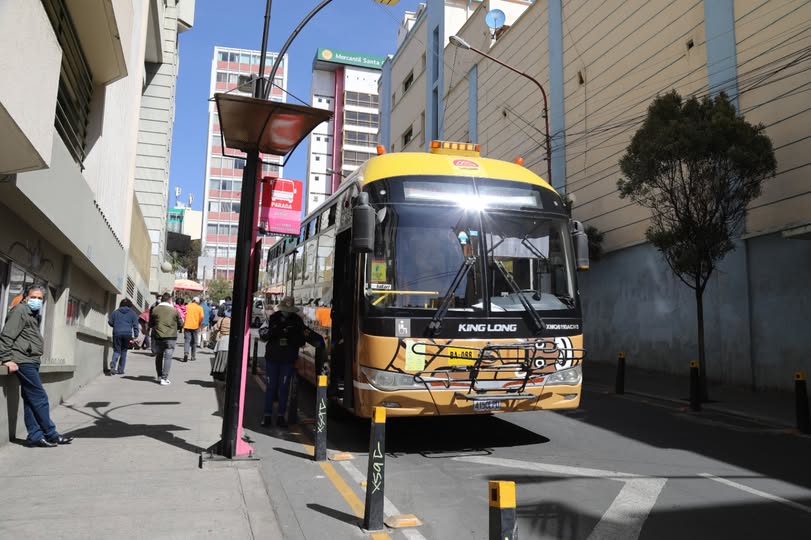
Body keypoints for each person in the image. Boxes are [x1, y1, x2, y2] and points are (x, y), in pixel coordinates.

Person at [0, 284, 73, 447]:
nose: (37, 301)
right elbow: (6, 335)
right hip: (22, 360)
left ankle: (34, 435)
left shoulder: (33, 314)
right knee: (40, 398)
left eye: (40, 298)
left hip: (32, 360)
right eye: (34, 297)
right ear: (26, 297)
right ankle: (51, 434)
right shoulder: (20, 311)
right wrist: (6, 359)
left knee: (30, 399)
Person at [259, 296, 323, 428]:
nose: (287, 312)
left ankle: (281, 416)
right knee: (271, 388)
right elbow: (263, 334)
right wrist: (276, 331)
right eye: (285, 309)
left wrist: (292, 336)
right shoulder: (273, 318)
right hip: (273, 358)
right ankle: (267, 416)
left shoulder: (297, 321)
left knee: (284, 388)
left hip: (288, 359)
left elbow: (304, 339)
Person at [149, 292, 183, 385]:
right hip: (171, 337)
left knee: (159, 356)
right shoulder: (174, 311)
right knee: (168, 357)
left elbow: (150, 324)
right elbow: (181, 324)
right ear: (169, 300)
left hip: (158, 336)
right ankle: (164, 378)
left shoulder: (155, 309)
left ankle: (159, 376)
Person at [107, 298, 139, 375]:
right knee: (124, 351)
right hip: (127, 334)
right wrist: (136, 335)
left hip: (117, 333)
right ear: (130, 305)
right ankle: (120, 370)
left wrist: (116, 325)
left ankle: (113, 363)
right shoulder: (133, 313)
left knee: (116, 350)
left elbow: (110, 322)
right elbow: (135, 326)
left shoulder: (115, 312)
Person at [210, 306, 231, 381]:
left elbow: (214, 328)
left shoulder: (222, 320)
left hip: (222, 341)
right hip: (230, 341)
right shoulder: (234, 321)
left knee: (220, 359)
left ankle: (220, 374)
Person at [182, 296, 204, 362]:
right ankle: (193, 356)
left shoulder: (187, 306)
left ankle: (186, 353)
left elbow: (183, 315)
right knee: (194, 342)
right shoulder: (199, 308)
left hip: (187, 325)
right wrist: (199, 323)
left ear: (192, 300)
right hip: (195, 326)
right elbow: (202, 317)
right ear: (197, 302)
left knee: (187, 341)